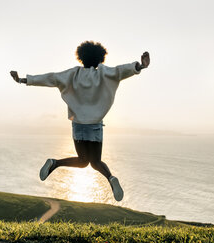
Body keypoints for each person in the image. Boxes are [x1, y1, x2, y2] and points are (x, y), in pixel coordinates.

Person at [10, 41, 150, 201]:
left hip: (78, 125)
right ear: (100, 59)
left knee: (83, 161)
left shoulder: (72, 74)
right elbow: (121, 71)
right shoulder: (104, 73)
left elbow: (50, 78)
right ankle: (110, 178)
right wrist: (140, 66)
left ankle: (54, 163)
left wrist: (22, 79)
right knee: (95, 162)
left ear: (81, 58)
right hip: (95, 125)